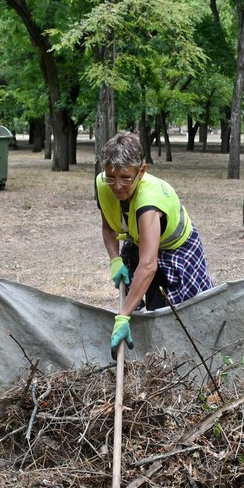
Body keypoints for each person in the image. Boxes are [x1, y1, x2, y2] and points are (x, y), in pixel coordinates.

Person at [96, 131, 214, 352]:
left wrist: (122, 316)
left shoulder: (150, 200)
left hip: (178, 252)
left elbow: (149, 264)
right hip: (140, 243)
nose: (117, 186)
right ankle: (153, 353)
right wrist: (115, 260)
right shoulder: (103, 184)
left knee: (182, 315)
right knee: (148, 308)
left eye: (125, 178)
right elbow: (108, 227)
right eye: (111, 176)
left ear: (141, 171)